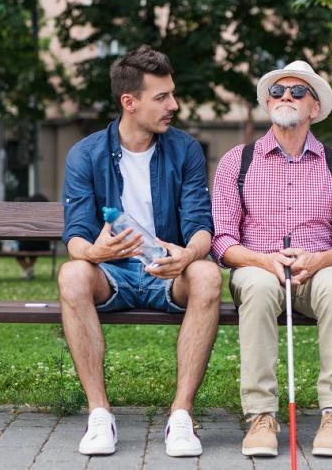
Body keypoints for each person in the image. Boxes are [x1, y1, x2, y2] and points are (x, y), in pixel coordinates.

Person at [58, 45, 220, 458]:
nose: (174, 105)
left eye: (172, 94)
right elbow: (74, 235)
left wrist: (186, 256)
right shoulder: (86, 154)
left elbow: (201, 226)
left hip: (168, 271)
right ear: (129, 102)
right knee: (72, 273)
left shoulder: (184, 150)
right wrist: (95, 251)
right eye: (162, 97)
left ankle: (181, 418)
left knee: (207, 274)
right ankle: (99, 415)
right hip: (112, 272)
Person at [211, 60, 332, 458]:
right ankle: (261, 416)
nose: (286, 97)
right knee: (261, 286)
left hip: (315, 273)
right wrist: (263, 261)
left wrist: (319, 260)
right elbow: (222, 240)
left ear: (314, 107)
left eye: (298, 91)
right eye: (278, 91)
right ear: (267, 102)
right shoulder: (237, 161)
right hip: (257, 270)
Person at [14, 193, 52, 280]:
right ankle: (29, 270)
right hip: (44, 246)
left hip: (26, 245)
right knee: (33, 250)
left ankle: (28, 270)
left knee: (20, 252)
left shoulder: (27, 215)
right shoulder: (46, 215)